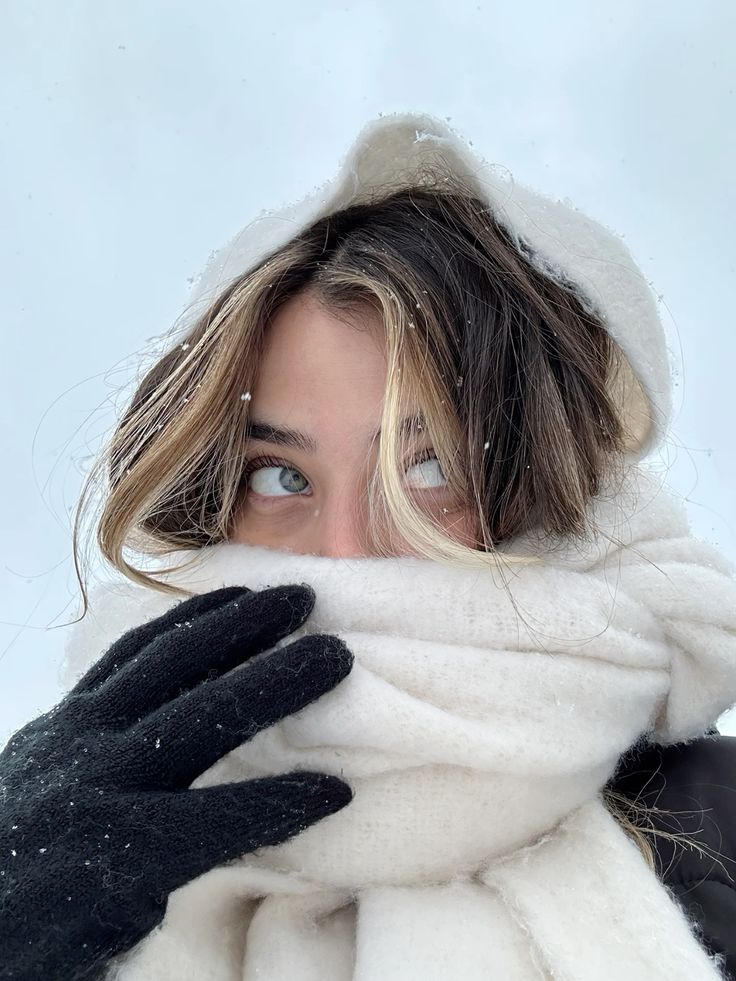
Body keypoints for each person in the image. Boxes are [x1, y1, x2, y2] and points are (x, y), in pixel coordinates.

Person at [2, 110, 735, 980]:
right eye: (279, 475)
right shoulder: (88, 842)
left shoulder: (716, 825)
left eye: (430, 469)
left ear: (553, 495)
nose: (345, 554)